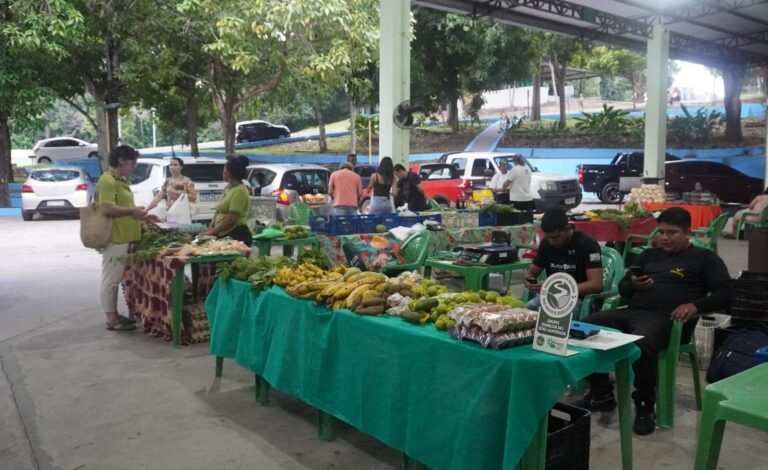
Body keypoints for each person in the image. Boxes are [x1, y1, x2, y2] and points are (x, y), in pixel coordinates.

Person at [574, 207, 733, 436]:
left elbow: (726, 293)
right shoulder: (648, 255)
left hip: (669, 318)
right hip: (633, 311)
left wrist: (694, 306)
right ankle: (601, 394)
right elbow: (623, 288)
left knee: (642, 343)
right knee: (584, 328)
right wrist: (633, 285)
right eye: (661, 232)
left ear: (688, 233)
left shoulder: (704, 258)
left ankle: (645, 406)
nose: (665, 238)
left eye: (672, 233)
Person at [96, 145, 147, 332]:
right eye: (132, 162)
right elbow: (106, 208)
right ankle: (111, 318)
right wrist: (133, 211)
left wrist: (140, 216)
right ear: (121, 161)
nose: (134, 166)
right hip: (116, 237)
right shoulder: (107, 180)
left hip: (125, 235)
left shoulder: (119, 180)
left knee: (115, 278)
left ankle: (115, 315)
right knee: (111, 279)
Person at [525, 209, 604, 315]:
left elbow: (596, 285)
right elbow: (531, 273)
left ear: (568, 229)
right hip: (551, 297)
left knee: (553, 317)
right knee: (527, 312)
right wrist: (530, 283)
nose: (552, 242)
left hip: (578, 299)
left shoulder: (587, 244)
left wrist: (553, 287)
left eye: (556, 237)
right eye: (548, 238)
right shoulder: (546, 244)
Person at [199, 155, 252, 246]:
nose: (222, 172)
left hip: (236, 234)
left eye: (224, 170)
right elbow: (218, 210)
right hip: (223, 233)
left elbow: (231, 219)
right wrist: (211, 228)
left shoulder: (239, 191)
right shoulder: (228, 188)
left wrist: (212, 232)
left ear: (229, 172)